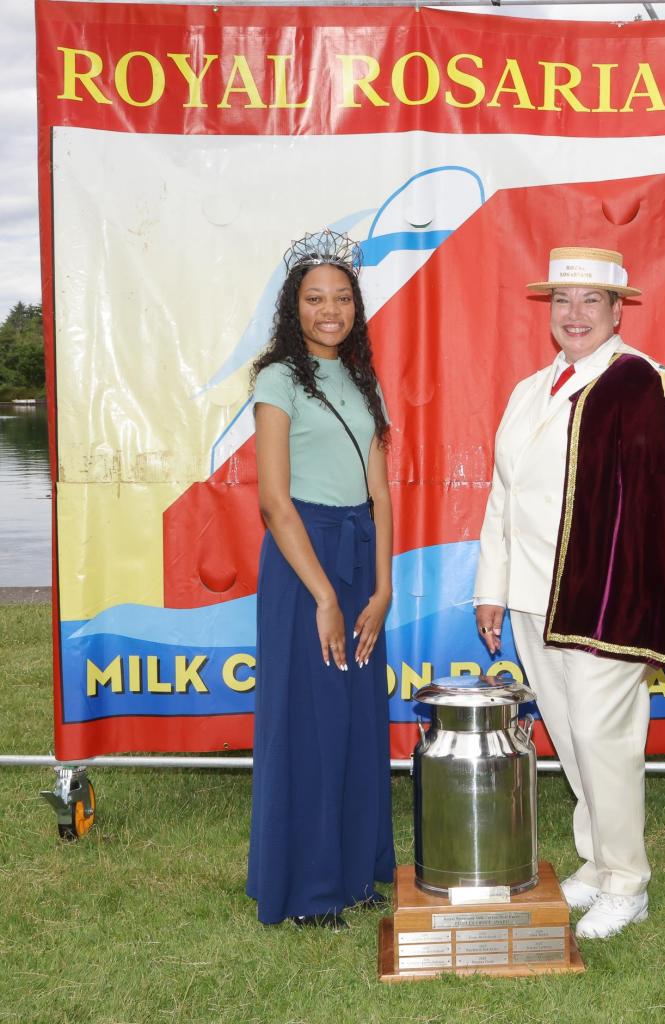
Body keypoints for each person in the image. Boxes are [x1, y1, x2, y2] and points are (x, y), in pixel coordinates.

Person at [474, 246, 665, 940]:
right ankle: (597, 859)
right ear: (548, 310)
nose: (575, 313)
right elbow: (504, 496)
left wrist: (644, 600)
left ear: (619, 311)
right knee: (569, 733)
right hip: (532, 596)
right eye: (563, 300)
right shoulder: (532, 388)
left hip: (603, 601)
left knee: (601, 736)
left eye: (591, 300)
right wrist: (491, 587)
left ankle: (627, 883)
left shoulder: (640, 387)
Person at [246, 229, 396, 928]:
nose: (329, 310)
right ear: (294, 307)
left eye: (341, 298)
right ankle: (307, 892)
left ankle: (356, 871)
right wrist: (326, 595)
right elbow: (274, 502)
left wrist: (382, 589)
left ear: (355, 308)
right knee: (309, 720)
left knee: (357, 718)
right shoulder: (277, 380)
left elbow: (380, 491)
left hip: (360, 554)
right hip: (304, 561)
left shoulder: (363, 380)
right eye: (315, 298)